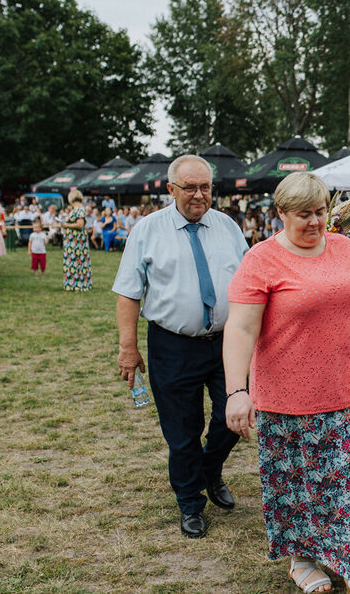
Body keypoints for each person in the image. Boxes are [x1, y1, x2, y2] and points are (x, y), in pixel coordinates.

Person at [223, 172, 350, 594]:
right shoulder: (261, 260)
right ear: (280, 213)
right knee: (300, 485)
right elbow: (241, 330)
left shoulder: (346, 247)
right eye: (304, 214)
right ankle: (302, 561)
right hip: (289, 398)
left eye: (320, 212)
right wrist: (236, 391)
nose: (316, 222)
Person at [112, 155, 248, 539]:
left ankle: (209, 469)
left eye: (205, 186)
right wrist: (128, 347)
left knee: (233, 417)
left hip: (227, 343)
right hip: (172, 345)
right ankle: (190, 502)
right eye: (190, 187)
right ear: (170, 189)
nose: (199, 194)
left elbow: (250, 285)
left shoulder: (228, 227)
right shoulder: (148, 230)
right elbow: (128, 292)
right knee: (183, 430)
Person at [62, 190, 92, 292]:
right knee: (74, 261)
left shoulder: (79, 210)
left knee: (77, 261)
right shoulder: (77, 209)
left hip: (76, 241)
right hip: (73, 240)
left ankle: (78, 284)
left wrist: (66, 225)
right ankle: (73, 284)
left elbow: (80, 224)